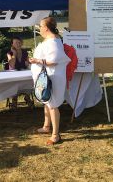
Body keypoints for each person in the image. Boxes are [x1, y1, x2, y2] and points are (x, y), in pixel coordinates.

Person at [29, 17, 70, 145]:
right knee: (47, 102)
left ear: (46, 28)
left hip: (52, 77)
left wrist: (36, 61)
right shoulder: (51, 39)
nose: (39, 28)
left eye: (41, 26)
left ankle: (55, 135)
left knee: (52, 105)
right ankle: (47, 126)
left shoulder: (53, 41)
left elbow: (53, 62)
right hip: (48, 76)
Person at [6, 37, 33, 109]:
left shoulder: (24, 52)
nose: (18, 44)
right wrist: (14, 54)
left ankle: (27, 97)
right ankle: (14, 99)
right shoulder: (9, 53)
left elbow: (28, 62)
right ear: (12, 44)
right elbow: (11, 65)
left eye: (19, 42)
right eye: (16, 43)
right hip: (13, 74)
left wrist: (28, 62)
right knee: (14, 83)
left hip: (23, 72)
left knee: (31, 80)